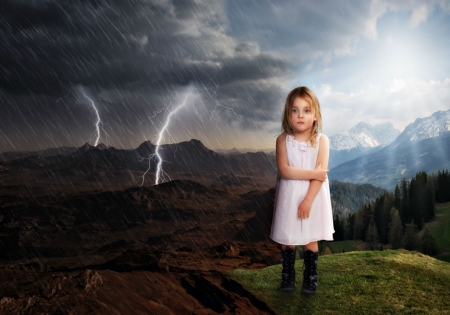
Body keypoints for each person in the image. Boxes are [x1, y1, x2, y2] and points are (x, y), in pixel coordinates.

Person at [270, 86, 334, 294]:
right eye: (295, 110)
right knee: (288, 237)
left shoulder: (321, 141)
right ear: (288, 114)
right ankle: (288, 274)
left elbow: (320, 176)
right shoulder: (282, 140)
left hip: (313, 196)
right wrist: (313, 174)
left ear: (315, 115)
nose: (300, 115)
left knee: (310, 237)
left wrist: (307, 200)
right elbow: (284, 170)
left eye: (307, 110)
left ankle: (311, 276)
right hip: (289, 196)